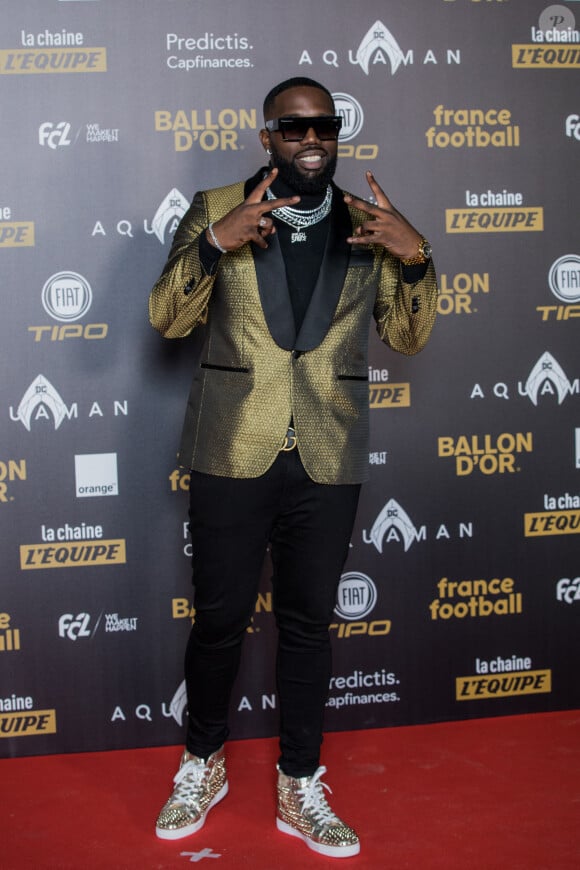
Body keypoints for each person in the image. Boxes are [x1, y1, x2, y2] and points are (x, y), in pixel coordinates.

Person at [149, 76, 438, 859]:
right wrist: (216, 243)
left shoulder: (368, 222)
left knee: (310, 627)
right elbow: (167, 317)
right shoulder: (215, 207)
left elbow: (406, 339)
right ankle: (201, 764)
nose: (313, 139)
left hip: (328, 447)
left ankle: (298, 785)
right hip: (231, 445)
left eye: (325, 126)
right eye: (294, 127)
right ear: (266, 135)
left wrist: (416, 260)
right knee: (218, 623)